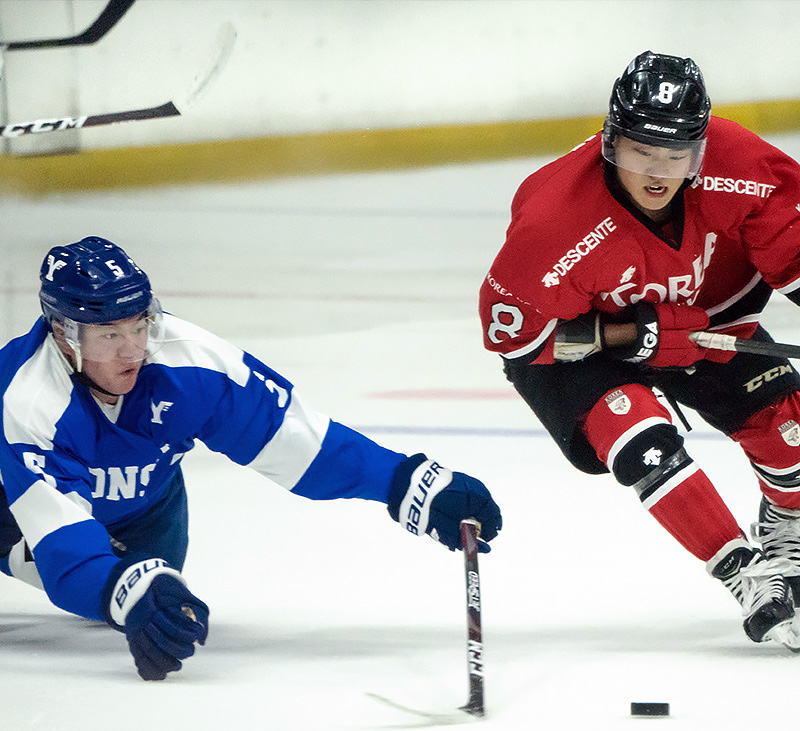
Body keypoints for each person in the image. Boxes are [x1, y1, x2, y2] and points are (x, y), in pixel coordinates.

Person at [0, 236, 502, 680]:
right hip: (15, 508)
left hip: (146, 512)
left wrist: (402, 481)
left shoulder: (190, 361)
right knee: (100, 581)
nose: (132, 351)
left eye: (139, 326)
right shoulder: (31, 400)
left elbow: (296, 443)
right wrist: (120, 590)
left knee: (154, 585)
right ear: (63, 334)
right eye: (110, 335)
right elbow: (63, 544)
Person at [479, 50, 800, 649]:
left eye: (677, 155)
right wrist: (621, 335)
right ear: (610, 140)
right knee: (641, 438)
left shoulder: (740, 164)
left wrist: (669, 329)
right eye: (641, 151)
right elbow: (517, 341)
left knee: (790, 434)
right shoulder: (553, 220)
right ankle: (745, 576)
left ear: (701, 149)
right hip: (584, 353)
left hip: (706, 317)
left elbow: (793, 244)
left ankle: (787, 536)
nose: (658, 172)